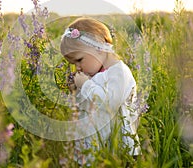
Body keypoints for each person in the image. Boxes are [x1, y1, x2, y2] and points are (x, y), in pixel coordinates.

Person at [60, 17, 141, 165]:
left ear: (98, 48)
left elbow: (110, 103)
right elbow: (88, 107)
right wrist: (75, 91)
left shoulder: (119, 72)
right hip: (96, 148)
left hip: (119, 150)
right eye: (73, 63)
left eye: (79, 60)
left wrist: (85, 85)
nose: (77, 68)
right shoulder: (93, 74)